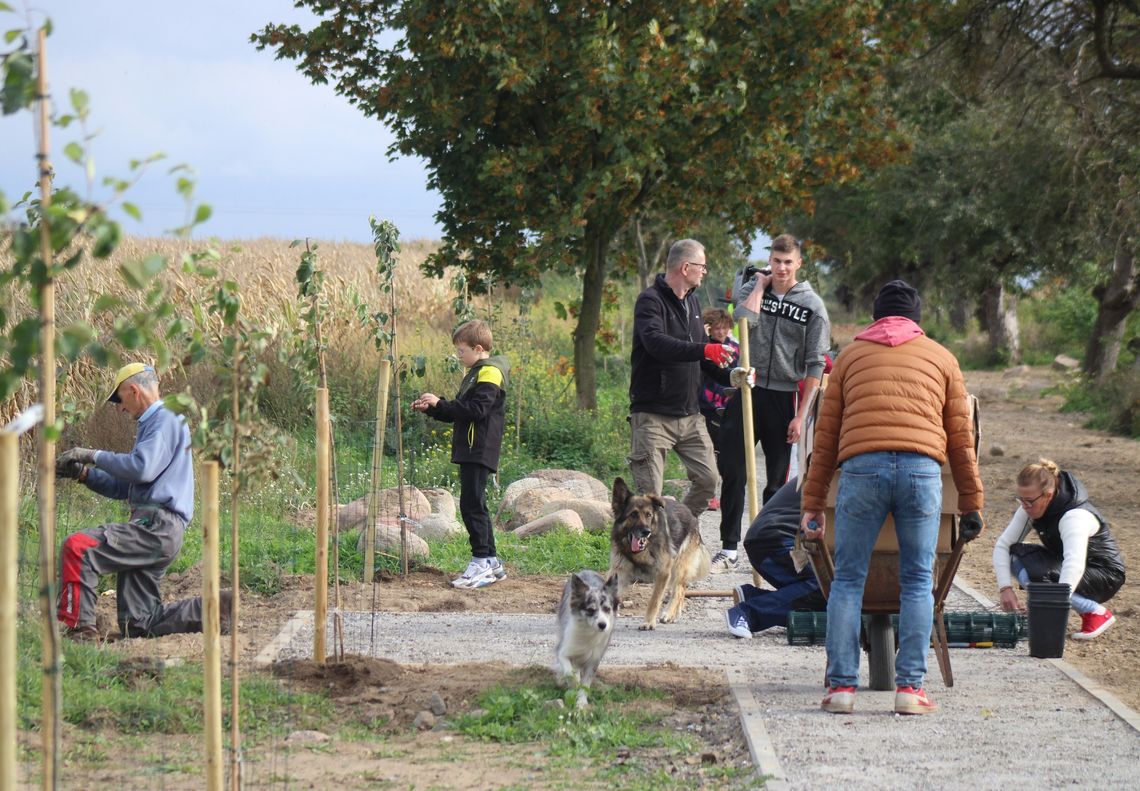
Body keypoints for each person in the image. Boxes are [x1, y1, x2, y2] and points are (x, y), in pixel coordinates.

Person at [800, 280, 985, 716]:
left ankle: (841, 689)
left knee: (847, 580)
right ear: (916, 320)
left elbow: (823, 441)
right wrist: (971, 504)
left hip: (862, 470)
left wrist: (811, 504)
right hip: (922, 472)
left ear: (876, 317)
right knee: (919, 581)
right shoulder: (942, 358)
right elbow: (961, 440)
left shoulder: (849, 358)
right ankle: (910, 690)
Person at [55, 363, 226, 640]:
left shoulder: (165, 420)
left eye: (120, 400)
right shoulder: (155, 424)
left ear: (133, 390)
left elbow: (140, 469)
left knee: (79, 548)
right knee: (140, 623)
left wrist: (92, 454)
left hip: (155, 526)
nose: (121, 409)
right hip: (158, 528)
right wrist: (84, 474)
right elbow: (126, 486)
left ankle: (81, 630)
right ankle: (217, 610)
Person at [712, 234, 830, 572]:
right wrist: (761, 286)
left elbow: (815, 365)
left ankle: (765, 548)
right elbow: (743, 322)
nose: (781, 268)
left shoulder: (812, 306)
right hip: (748, 390)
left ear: (798, 264)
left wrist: (802, 416)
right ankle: (729, 547)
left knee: (777, 483)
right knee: (733, 468)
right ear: (770, 260)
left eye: (787, 262)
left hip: (784, 398)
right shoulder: (753, 288)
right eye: (776, 261)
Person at [628, 238, 735, 518]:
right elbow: (657, 344)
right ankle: (651, 551)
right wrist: (705, 348)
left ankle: (677, 527)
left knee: (709, 480)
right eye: (702, 266)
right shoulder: (650, 301)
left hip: (690, 416)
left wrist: (731, 377)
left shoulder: (694, 302)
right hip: (653, 416)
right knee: (649, 500)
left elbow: (701, 358)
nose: (705, 272)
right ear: (686, 267)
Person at [412, 319, 511, 589]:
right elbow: (461, 411)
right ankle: (491, 561)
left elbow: (476, 411)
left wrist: (441, 403)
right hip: (474, 448)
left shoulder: (488, 373)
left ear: (478, 348)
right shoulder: (478, 371)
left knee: (471, 506)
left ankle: (480, 561)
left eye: (461, 351)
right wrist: (434, 407)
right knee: (476, 504)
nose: (459, 356)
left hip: (478, 448)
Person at [992, 459, 1125, 640]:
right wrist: (1005, 589)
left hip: (1104, 575)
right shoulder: (1031, 506)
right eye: (1020, 499)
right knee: (1016, 554)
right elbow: (1003, 546)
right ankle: (1051, 609)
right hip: (1072, 566)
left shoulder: (1074, 517)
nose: (1024, 506)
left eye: (1029, 500)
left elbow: (1074, 563)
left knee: (1036, 572)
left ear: (1048, 494)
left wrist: (1047, 603)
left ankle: (1094, 612)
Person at [724, 476, 825, 638]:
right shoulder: (843, 476)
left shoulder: (833, 468)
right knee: (825, 586)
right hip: (774, 543)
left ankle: (754, 596)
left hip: (769, 540)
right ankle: (748, 613)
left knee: (829, 591)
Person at [698, 307, 740, 511]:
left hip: (730, 406)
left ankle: (724, 495)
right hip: (707, 405)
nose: (720, 332)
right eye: (716, 328)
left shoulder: (735, 348)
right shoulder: (703, 348)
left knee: (727, 452)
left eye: (724, 328)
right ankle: (709, 496)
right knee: (709, 451)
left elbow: (738, 374)